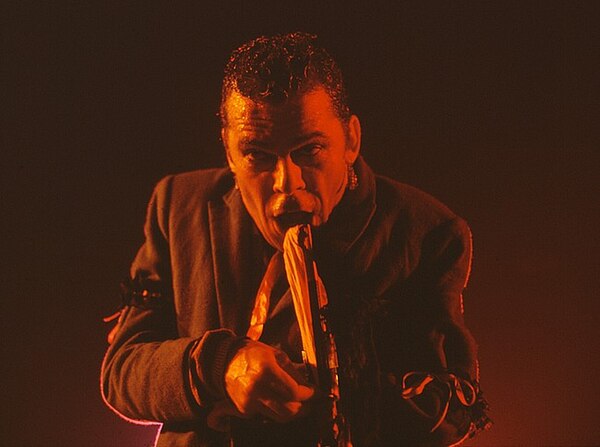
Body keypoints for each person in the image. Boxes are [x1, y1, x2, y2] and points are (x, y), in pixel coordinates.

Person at [101, 32, 491, 447]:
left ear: (351, 141)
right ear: (229, 155)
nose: (288, 183)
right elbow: (122, 371)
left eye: (309, 150)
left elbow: (457, 408)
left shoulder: (426, 233)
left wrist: (332, 392)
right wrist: (221, 366)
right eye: (257, 155)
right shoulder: (178, 206)